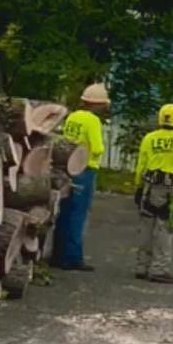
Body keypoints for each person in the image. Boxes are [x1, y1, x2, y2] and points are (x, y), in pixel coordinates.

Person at [134, 104, 173, 285]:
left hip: (149, 187)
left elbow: (141, 164)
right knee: (165, 230)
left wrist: (138, 187)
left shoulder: (149, 138)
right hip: (171, 191)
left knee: (145, 227)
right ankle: (159, 269)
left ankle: (141, 266)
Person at [53, 83, 110, 272]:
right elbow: (98, 147)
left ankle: (57, 254)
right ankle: (73, 257)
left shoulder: (73, 116)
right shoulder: (93, 121)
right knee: (79, 213)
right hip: (85, 168)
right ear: (97, 104)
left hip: (67, 166)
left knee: (64, 211)